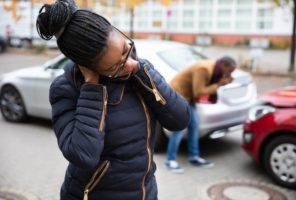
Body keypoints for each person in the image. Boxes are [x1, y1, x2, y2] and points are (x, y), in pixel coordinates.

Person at [36, 1, 190, 199]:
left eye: (126, 48)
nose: (131, 63)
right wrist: (92, 87)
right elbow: (83, 155)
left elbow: (180, 120)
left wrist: (145, 74)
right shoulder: (66, 89)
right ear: (88, 66)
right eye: (117, 65)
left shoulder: (140, 72)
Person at [165, 56, 237, 173]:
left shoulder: (215, 69)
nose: (230, 74)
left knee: (194, 125)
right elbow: (198, 91)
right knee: (180, 128)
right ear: (224, 65)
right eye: (230, 70)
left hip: (188, 97)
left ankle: (194, 157)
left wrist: (221, 82)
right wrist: (219, 85)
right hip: (178, 95)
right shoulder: (204, 69)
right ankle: (170, 160)